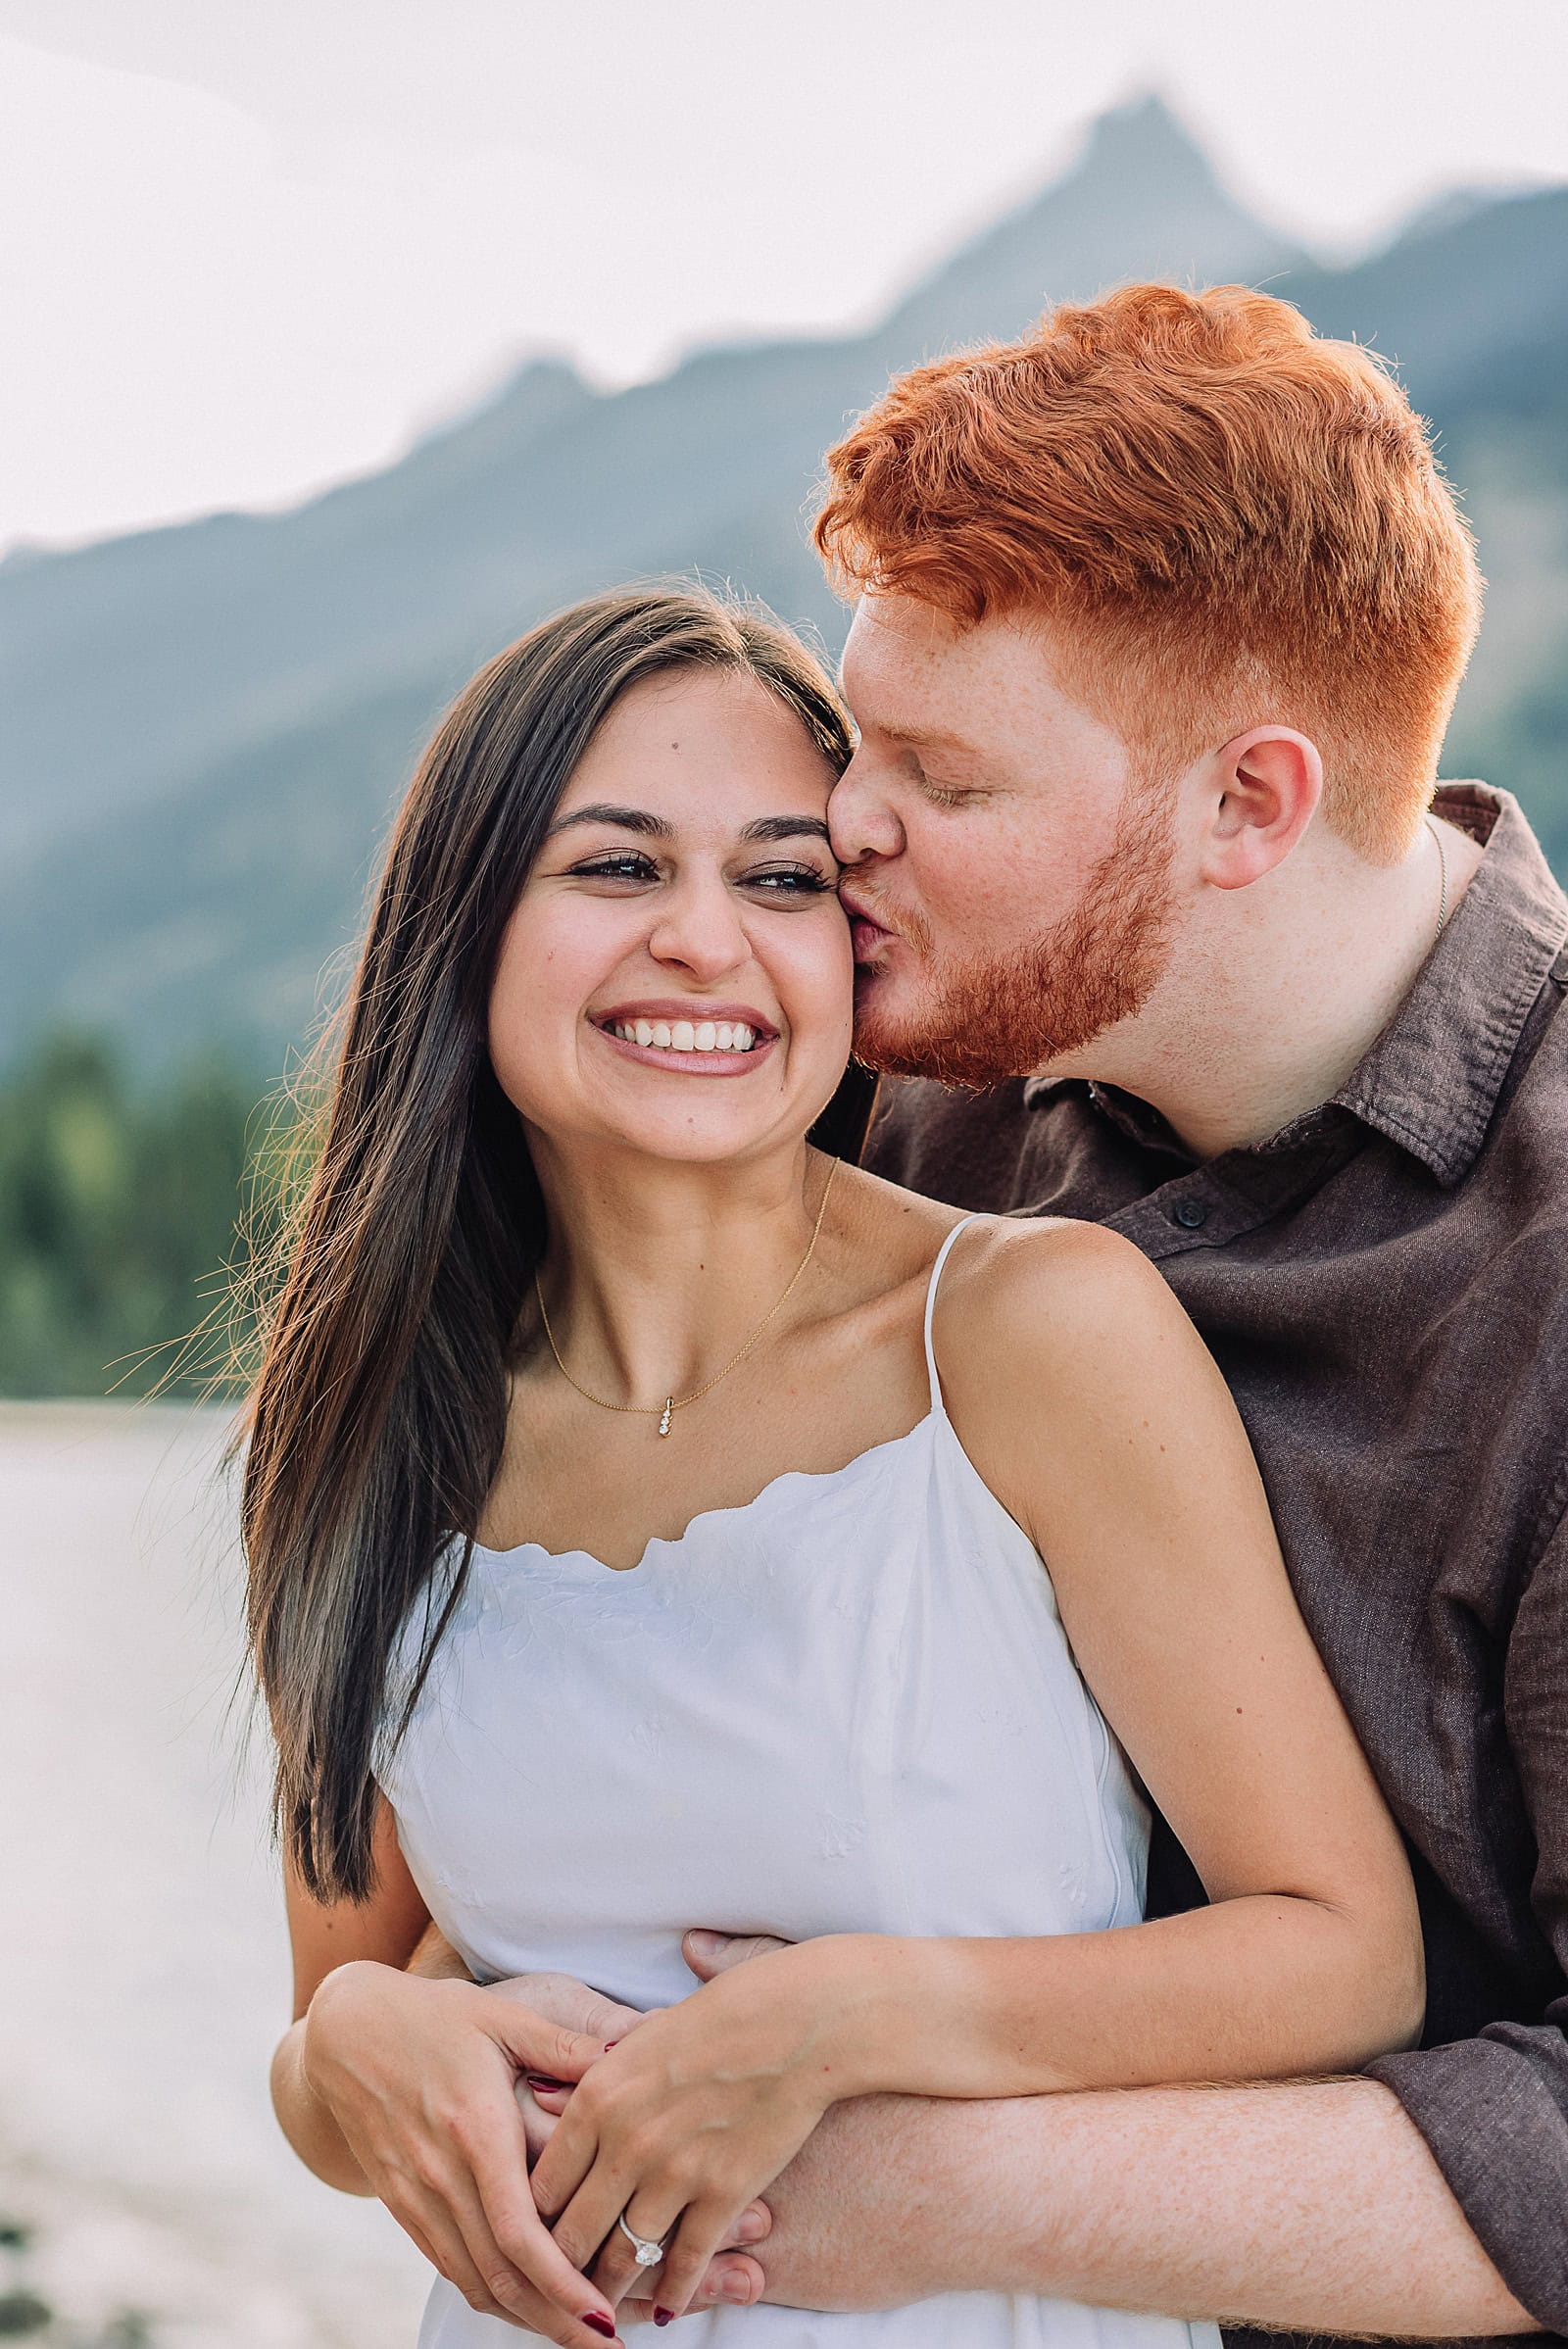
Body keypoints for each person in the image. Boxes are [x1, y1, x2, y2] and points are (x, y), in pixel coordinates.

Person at [246, 583, 1424, 2349]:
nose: (707, 942)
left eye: (785, 879)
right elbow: (343, 2041)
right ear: (464, 925)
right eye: (618, 867)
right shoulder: (369, 1423)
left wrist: (863, 2018)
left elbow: (1346, 1955)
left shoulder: (1027, 1333)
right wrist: (347, 2048)